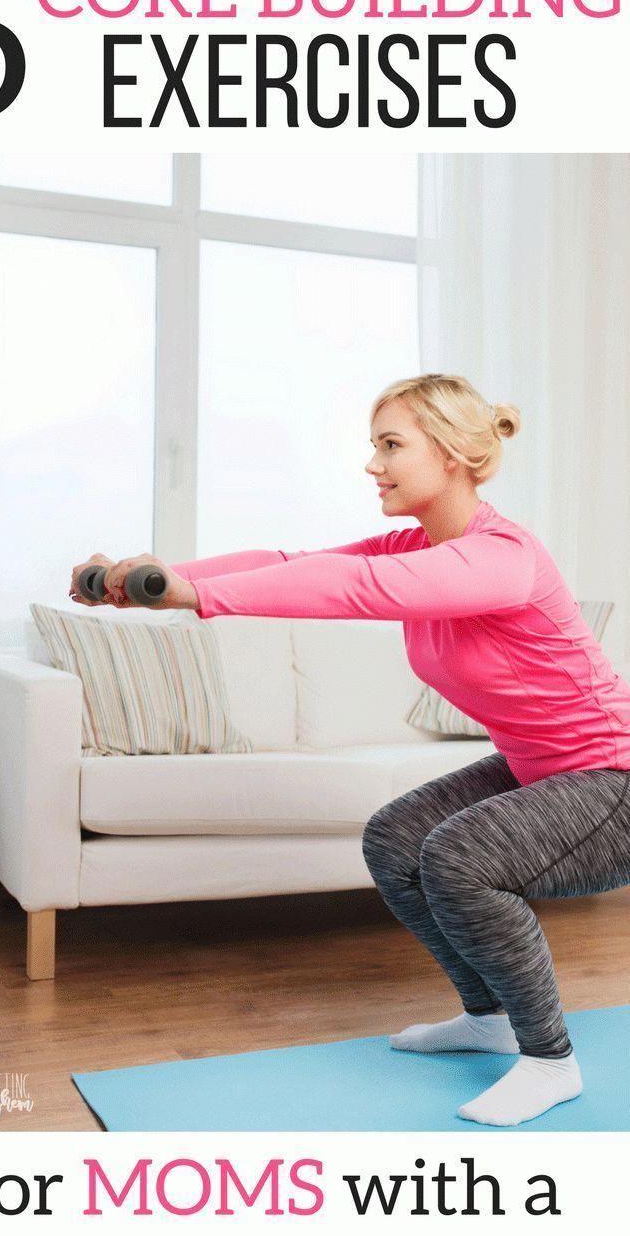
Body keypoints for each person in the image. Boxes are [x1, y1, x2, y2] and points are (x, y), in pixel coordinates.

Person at [70, 372, 630, 1127]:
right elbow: (288, 561)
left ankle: (549, 1061)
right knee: (395, 838)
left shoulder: (501, 557)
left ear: (455, 454)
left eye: (391, 446)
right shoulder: (416, 543)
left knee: (460, 859)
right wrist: (156, 582)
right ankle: (488, 1017)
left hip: (611, 781)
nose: (372, 465)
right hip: (549, 770)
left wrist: (191, 596)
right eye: (374, 446)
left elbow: (353, 589)